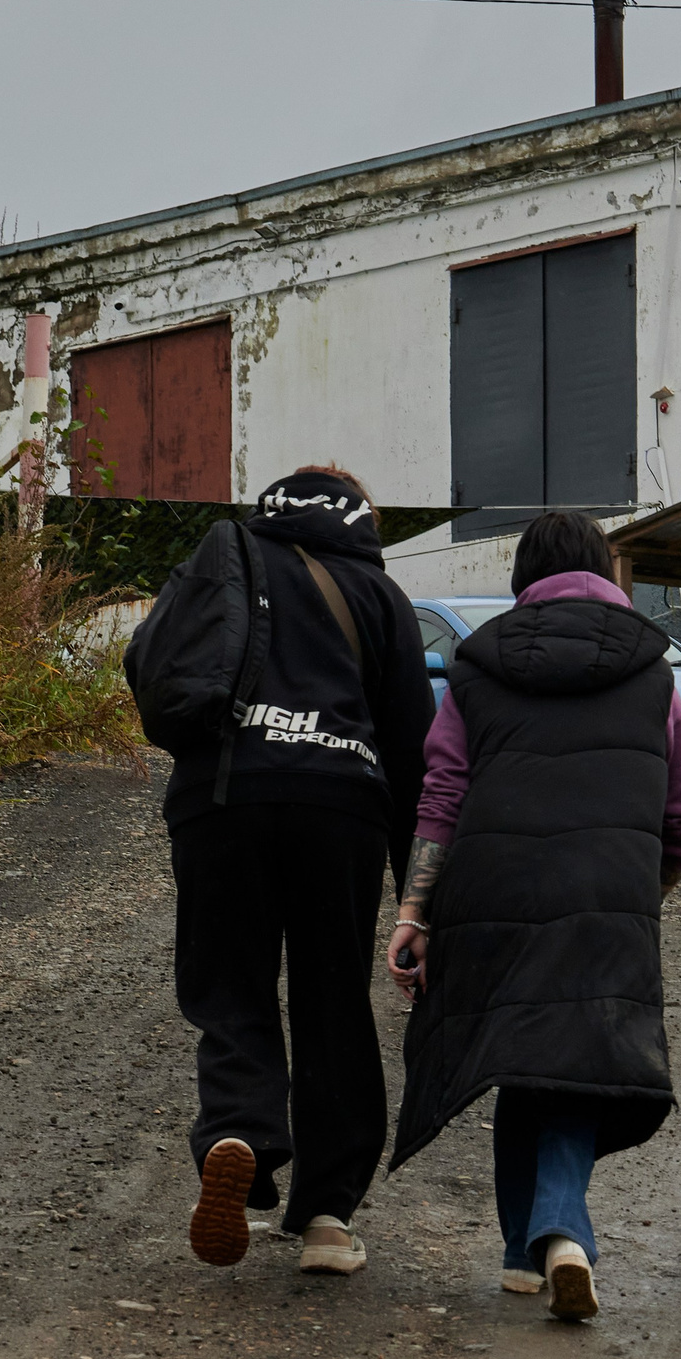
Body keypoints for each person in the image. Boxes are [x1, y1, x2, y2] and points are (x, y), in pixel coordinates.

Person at [386, 510, 681, 1321]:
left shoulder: (476, 666)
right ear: (606, 570)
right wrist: (643, 887)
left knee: (517, 1051)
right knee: (575, 1058)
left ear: (521, 579)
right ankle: (561, 1225)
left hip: (492, 887)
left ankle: (518, 1253)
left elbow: (443, 792)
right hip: (607, 890)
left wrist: (413, 913)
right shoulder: (654, 673)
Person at [163, 467, 434, 1275]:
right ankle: (325, 1216)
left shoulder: (227, 559)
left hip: (221, 800)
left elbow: (159, 668)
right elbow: (414, 751)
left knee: (230, 984)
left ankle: (238, 1130)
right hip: (339, 805)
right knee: (332, 999)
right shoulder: (379, 596)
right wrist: (416, 895)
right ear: (361, 517)